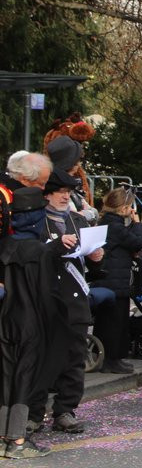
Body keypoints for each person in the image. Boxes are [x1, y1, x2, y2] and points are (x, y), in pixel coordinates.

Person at [27, 170, 106, 436]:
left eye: (68, 191)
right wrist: (57, 245)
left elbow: (92, 267)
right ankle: (33, 412)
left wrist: (97, 258)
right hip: (46, 297)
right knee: (42, 358)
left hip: (75, 298)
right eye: (59, 191)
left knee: (74, 357)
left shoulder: (78, 220)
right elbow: (31, 259)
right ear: (46, 193)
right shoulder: (35, 222)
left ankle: (65, 410)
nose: (65, 196)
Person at [0, 187, 66, 458]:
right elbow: (47, 294)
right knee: (26, 378)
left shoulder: (5, 246)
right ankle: (17, 440)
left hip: (5, 318)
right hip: (32, 321)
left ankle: (3, 435)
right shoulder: (41, 251)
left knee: (5, 377)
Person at [91, 187, 142, 374]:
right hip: (114, 280)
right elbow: (136, 242)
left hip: (112, 279)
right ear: (123, 208)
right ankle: (111, 359)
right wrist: (138, 224)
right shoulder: (115, 226)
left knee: (114, 321)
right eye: (129, 206)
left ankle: (111, 357)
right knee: (114, 322)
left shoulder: (107, 222)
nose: (131, 210)